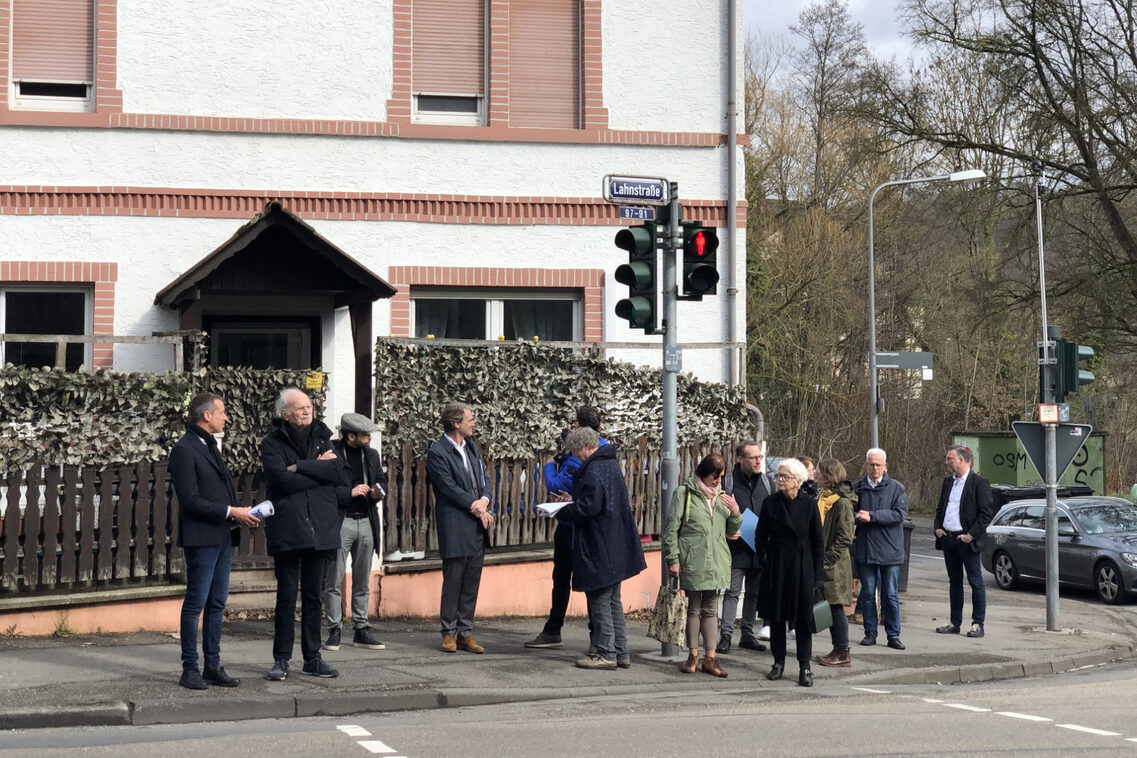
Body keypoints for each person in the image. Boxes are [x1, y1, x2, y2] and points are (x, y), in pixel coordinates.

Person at [170, 392, 260, 690]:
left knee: (217, 602)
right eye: (222, 411)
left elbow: (219, 491)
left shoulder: (209, 444)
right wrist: (231, 511)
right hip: (202, 537)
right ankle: (189, 667)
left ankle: (212, 664)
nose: (226, 417)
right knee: (196, 602)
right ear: (206, 415)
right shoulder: (184, 449)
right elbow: (191, 501)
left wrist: (240, 511)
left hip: (221, 535)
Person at [261, 388, 345, 681]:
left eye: (308, 406)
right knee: (286, 597)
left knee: (313, 597)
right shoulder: (272, 443)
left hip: (320, 528)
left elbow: (338, 473)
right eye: (299, 408)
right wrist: (317, 473)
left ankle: (313, 657)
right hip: (288, 527)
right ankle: (281, 659)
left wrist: (302, 467)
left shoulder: (323, 438)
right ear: (285, 414)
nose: (306, 411)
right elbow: (280, 480)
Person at [556, 426, 647, 670]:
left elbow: (589, 508)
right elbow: (596, 500)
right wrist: (574, 498)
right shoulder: (609, 464)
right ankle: (621, 652)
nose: (575, 456)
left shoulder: (593, 469)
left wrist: (564, 509)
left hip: (598, 545)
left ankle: (605, 653)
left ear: (586, 447)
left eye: (576, 451)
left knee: (599, 600)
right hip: (616, 543)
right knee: (613, 601)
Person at [525, 405, 604, 650]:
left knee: (564, 579)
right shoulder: (602, 446)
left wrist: (548, 464)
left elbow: (555, 484)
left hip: (572, 526)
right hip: (584, 527)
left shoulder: (578, 457)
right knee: (586, 581)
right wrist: (565, 437)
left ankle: (559, 630)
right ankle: (593, 636)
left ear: (580, 426)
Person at [663, 453, 742, 677]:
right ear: (702, 474)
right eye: (714, 477)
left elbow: (730, 530)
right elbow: (671, 529)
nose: (717, 481)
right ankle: (693, 655)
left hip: (716, 560)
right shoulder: (685, 493)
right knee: (694, 609)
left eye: (721, 477)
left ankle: (710, 657)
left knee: (711, 610)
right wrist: (673, 558)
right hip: (693, 559)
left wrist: (735, 512)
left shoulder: (723, 497)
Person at [426, 402, 494, 654]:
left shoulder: (472, 448)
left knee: (471, 580)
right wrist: (475, 505)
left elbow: (484, 478)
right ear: (456, 423)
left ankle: (466, 632)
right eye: (470, 419)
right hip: (455, 523)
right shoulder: (438, 452)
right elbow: (447, 487)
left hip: (477, 522)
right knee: (453, 579)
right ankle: (448, 632)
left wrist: (484, 501)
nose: (473, 423)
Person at [323, 413, 389, 652]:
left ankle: (361, 628)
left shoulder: (371, 455)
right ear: (351, 435)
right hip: (341, 522)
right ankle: (334, 628)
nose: (370, 437)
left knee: (362, 579)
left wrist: (378, 491)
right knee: (334, 578)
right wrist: (349, 493)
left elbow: (383, 480)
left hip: (367, 521)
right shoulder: (331, 453)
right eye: (365, 434)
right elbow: (323, 488)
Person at [755, 458, 824, 687]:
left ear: (798, 480)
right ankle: (778, 663)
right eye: (778, 476)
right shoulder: (770, 503)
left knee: (803, 620)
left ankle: (805, 666)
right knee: (776, 618)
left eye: (784, 476)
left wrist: (817, 575)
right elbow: (759, 536)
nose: (779, 480)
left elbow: (818, 542)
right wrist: (765, 558)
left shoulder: (809, 504)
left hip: (802, 568)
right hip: (777, 566)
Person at [933, 444, 995, 638]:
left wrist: (971, 535)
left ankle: (978, 624)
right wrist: (937, 528)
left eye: (949, 459)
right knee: (954, 582)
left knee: (976, 582)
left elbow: (986, 514)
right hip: (948, 538)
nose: (946, 462)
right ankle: (955, 622)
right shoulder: (947, 482)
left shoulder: (979, 483)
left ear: (961, 460)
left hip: (967, 540)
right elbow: (941, 508)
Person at [717, 442, 772, 655]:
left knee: (753, 593)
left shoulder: (767, 482)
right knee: (731, 592)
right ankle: (726, 635)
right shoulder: (728, 482)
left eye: (760, 456)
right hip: (736, 547)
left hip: (760, 547)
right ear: (740, 458)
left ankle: (747, 634)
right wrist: (726, 531)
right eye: (753, 457)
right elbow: (718, 513)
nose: (758, 461)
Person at [852, 447, 909, 650]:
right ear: (866, 464)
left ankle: (893, 635)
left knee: (890, 594)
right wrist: (856, 517)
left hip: (890, 550)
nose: (875, 468)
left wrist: (872, 516)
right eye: (872, 464)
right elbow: (849, 512)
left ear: (885, 466)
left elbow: (899, 514)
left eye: (878, 464)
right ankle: (870, 632)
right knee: (867, 593)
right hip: (866, 549)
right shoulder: (857, 488)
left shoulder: (896, 488)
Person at [814, 458, 856, 668]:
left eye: (819, 472)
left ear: (829, 476)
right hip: (826, 563)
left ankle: (843, 651)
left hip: (835, 565)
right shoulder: (824, 498)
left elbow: (845, 537)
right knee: (830, 606)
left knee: (836, 607)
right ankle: (837, 648)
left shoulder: (842, 502)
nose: (815, 475)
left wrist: (828, 558)